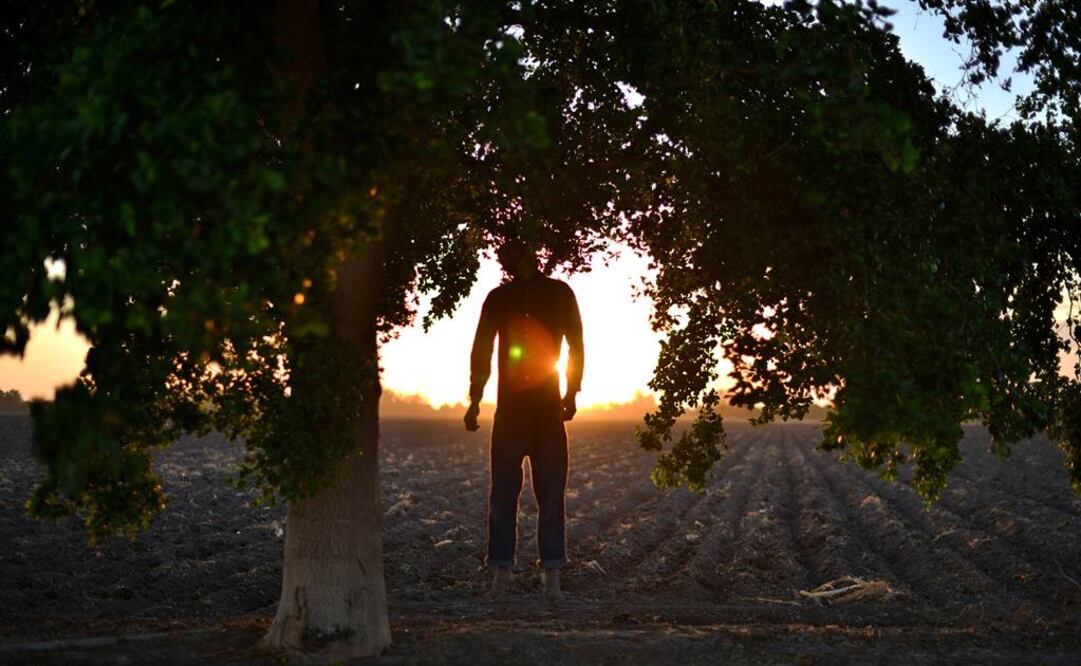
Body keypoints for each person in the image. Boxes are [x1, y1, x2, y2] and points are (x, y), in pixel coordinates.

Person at [464, 240, 584, 601]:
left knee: (551, 494)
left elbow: (576, 345)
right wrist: (475, 398)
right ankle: (502, 573)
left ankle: (551, 577)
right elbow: (482, 348)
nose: (516, 261)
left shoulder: (560, 294)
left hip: (547, 411)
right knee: (503, 493)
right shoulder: (499, 298)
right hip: (511, 411)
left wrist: (572, 391)